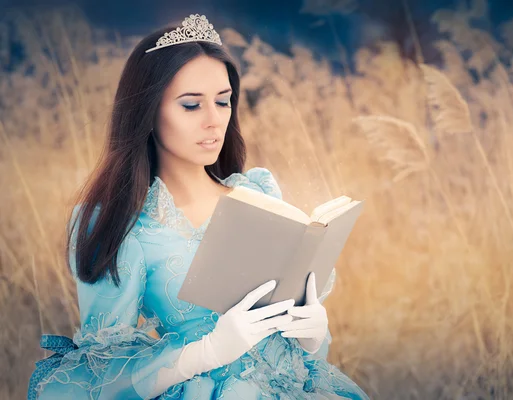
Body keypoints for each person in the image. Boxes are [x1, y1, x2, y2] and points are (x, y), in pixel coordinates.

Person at [27, 13, 370, 400]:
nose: (214, 121)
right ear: (148, 111)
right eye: (191, 105)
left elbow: (311, 356)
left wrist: (312, 333)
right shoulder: (122, 224)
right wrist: (206, 352)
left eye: (223, 102)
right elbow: (102, 374)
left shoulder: (257, 193)